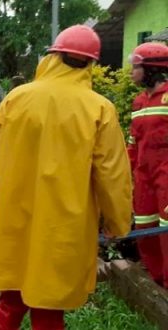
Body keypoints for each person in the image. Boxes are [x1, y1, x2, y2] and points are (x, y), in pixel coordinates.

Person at [0, 25, 133, 329]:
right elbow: (113, 173)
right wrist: (117, 221)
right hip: (64, 223)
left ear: (52, 56)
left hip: (15, 215)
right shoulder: (99, 109)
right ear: (91, 64)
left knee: (11, 293)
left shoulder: (17, 98)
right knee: (50, 301)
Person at [126, 42, 168, 288]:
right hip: (143, 178)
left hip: (166, 177)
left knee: (166, 233)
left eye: (136, 67)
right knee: (145, 228)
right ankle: (156, 283)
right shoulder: (139, 101)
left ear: (151, 68)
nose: (131, 72)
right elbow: (134, 144)